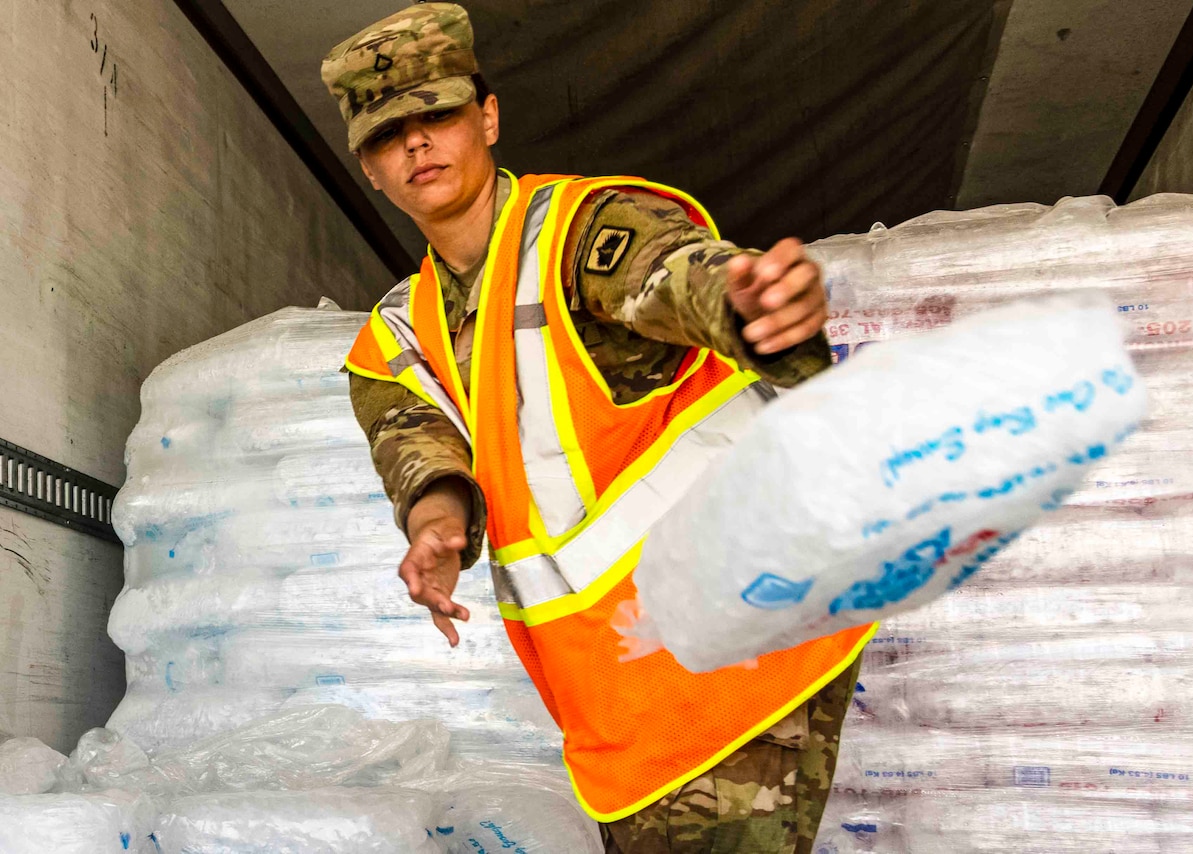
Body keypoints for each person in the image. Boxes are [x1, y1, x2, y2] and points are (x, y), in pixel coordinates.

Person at [322, 4, 876, 851]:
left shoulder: (577, 232)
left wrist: (749, 299)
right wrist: (436, 525)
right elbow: (413, 441)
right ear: (369, 167)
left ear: (489, 117)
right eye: (389, 132)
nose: (417, 144)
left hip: (745, 639)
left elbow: (671, 272)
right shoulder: (397, 332)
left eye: (437, 113)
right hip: (621, 694)